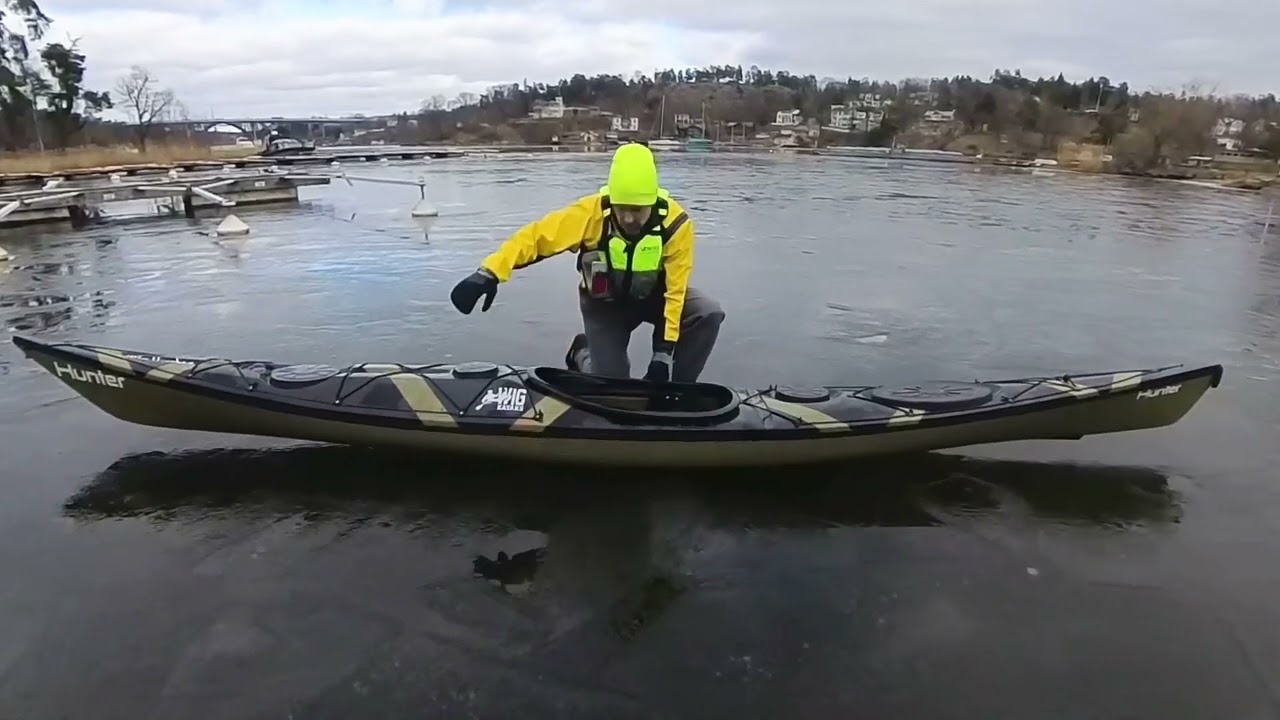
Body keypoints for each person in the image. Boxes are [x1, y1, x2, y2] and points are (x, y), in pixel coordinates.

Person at [449, 142, 724, 383]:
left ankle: (680, 390)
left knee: (707, 312)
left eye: (637, 210)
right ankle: (581, 353)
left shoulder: (676, 224)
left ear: (652, 202)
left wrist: (662, 354)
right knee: (612, 384)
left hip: (656, 299)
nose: (628, 218)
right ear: (610, 200)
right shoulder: (590, 213)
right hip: (604, 306)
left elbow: (675, 294)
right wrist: (489, 272)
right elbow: (536, 238)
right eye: (622, 208)